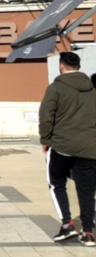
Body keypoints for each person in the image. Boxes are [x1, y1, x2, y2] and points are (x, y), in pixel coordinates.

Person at [40, 51, 96, 246]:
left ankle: (67, 224)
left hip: (62, 145)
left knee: (56, 181)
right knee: (87, 189)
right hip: (90, 147)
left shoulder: (55, 88)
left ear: (61, 66)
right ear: (79, 67)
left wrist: (46, 140)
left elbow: (46, 116)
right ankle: (88, 232)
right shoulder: (92, 88)